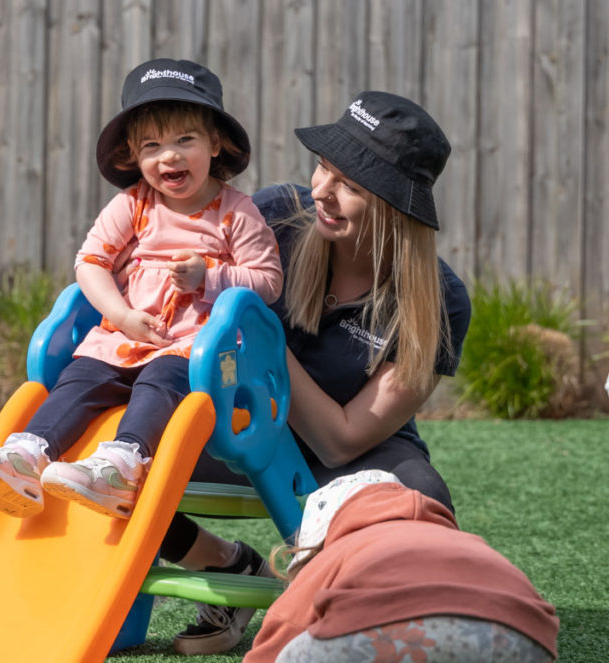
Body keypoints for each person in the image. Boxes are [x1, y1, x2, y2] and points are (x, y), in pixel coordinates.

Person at [163, 91, 473, 655]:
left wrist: (263, 343)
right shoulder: (277, 215)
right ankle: (229, 566)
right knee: (122, 459)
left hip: (350, 445)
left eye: (350, 185)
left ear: (395, 209)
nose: (322, 191)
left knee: (421, 499)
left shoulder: (440, 300)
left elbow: (341, 440)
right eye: (324, 169)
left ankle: (376, 624)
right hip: (238, 422)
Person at [0, 58, 283, 520]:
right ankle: (27, 456)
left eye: (185, 139)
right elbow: (90, 263)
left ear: (215, 144)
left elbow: (267, 283)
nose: (169, 155)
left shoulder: (236, 212)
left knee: (157, 383)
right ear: (133, 154)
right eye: (152, 144)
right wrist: (122, 317)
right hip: (127, 336)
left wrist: (211, 276)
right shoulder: (134, 204)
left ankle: (120, 465)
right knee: (81, 378)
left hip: (196, 349)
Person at [243, 470, 559, 662]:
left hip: (387, 633)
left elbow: (285, 625)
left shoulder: (339, 550)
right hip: (523, 633)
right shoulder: (464, 542)